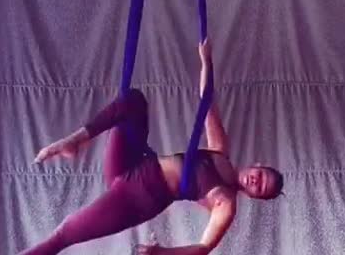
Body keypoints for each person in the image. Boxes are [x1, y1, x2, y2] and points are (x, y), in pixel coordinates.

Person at [21, 40, 284, 255]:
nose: (255, 181)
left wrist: (162, 253)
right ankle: (76, 141)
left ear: (254, 196)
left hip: (139, 198)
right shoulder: (221, 150)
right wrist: (206, 61)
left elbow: (203, 248)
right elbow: (207, 103)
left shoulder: (225, 203)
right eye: (261, 176)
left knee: (64, 234)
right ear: (257, 165)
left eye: (259, 188)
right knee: (133, 101)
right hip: (134, 165)